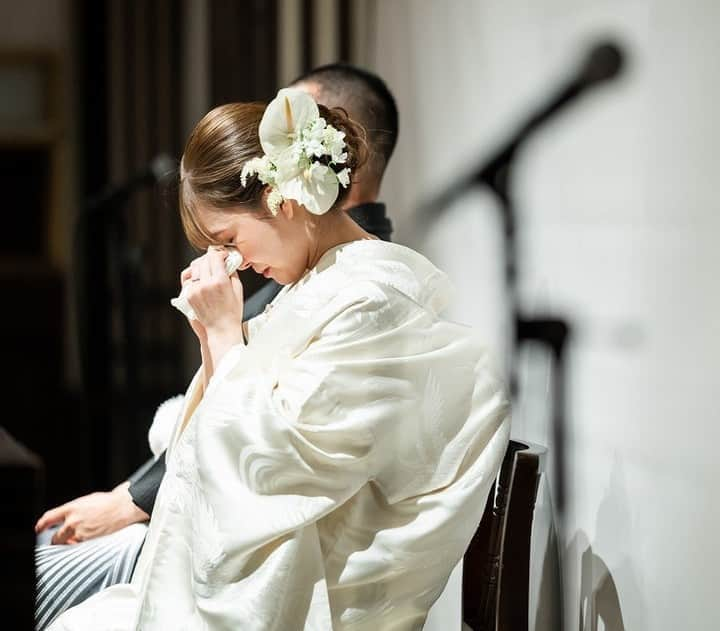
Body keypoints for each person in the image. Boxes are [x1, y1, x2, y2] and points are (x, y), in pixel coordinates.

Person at [48, 86, 509, 630]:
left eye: (229, 240)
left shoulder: (373, 299)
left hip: (321, 598)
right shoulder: (315, 286)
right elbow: (222, 445)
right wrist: (209, 338)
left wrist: (224, 334)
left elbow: (276, 467)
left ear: (282, 200)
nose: (234, 263)